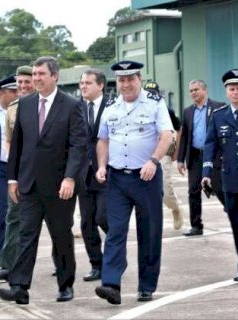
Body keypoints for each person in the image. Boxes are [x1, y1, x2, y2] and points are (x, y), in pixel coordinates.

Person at [0, 56, 87, 304]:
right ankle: (19, 287)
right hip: (28, 184)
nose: (35, 78)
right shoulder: (24, 105)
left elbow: (79, 146)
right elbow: (17, 146)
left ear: (54, 76)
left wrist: (70, 178)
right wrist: (12, 179)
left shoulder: (71, 105)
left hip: (60, 187)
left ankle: (65, 285)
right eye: (34, 74)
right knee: (26, 235)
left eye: (40, 74)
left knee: (61, 236)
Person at [94, 60, 173, 305]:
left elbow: (167, 135)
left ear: (139, 79)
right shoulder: (110, 105)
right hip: (117, 178)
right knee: (115, 231)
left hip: (146, 177)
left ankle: (146, 286)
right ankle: (111, 284)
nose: (126, 84)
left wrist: (153, 160)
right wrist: (101, 165)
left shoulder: (155, 102)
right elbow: (103, 140)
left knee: (148, 233)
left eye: (130, 79)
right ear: (116, 83)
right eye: (121, 80)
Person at [202, 69, 238, 284]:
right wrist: (206, 173)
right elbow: (210, 146)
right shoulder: (218, 116)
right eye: (232, 89)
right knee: (236, 223)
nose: (236, 92)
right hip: (229, 178)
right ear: (226, 92)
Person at [0, 66, 34, 280]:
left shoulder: (51, 105)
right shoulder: (13, 108)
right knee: (13, 218)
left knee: (58, 223)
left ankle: (62, 266)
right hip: (20, 173)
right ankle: (8, 265)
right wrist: (14, 172)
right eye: (20, 82)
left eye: (28, 81)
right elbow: (8, 142)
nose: (24, 86)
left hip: (47, 173)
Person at [177, 80, 226, 236]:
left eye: (196, 89)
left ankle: (237, 214)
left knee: (219, 188)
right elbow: (184, 137)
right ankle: (197, 226)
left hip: (214, 156)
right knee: (193, 191)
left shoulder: (219, 107)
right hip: (195, 156)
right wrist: (180, 159)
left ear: (204, 90)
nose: (193, 93)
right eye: (191, 90)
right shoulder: (187, 112)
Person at [77, 69, 110, 282]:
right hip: (83, 173)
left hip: (107, 171)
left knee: (103, 217)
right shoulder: (76, 108)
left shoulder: (113, 106)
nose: (83, 86)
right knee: (86, 222)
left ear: (101, 85)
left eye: (88, 83)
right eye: (81, 83)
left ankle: (114, 256)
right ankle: (97, 265)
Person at [144, 81, 184, 230]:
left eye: (154, 94)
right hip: (143, 156)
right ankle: (152, 226)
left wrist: (176, 151)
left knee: (166, 191)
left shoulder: (167, 110)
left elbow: (179, 129)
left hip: (163, 155)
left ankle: (176, 208)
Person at [0, 75, 18, 259]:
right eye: (13, 91)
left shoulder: (20, 109)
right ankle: (2, 254)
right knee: (1, 212)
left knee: (18, 213)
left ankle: (13, 253)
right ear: (2, 93)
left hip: (18, 167)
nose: (18, 94)